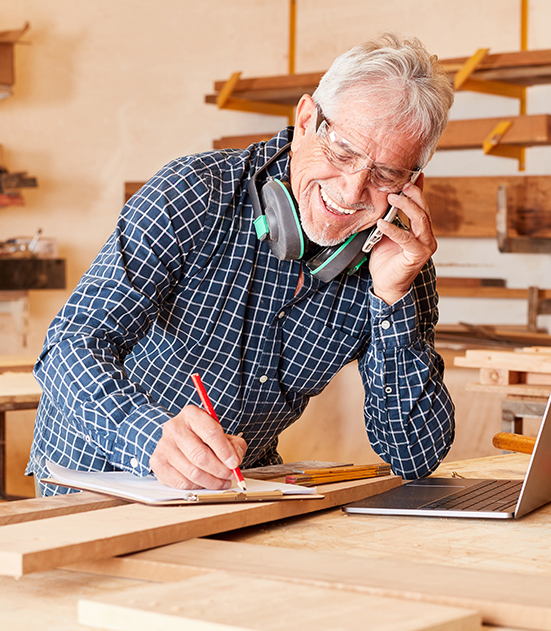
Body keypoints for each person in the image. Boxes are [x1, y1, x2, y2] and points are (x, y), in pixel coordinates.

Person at [28, 33, 457, 495]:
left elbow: (416, 455)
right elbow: (68, 347)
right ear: (306, 119)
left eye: (385, 174)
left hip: (233, 488)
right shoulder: (194, 192)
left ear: (412, 182)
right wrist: (147, 435)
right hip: (97, 475)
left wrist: (392, 301)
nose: (353, 191)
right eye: (343, 151)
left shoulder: (399, 258)